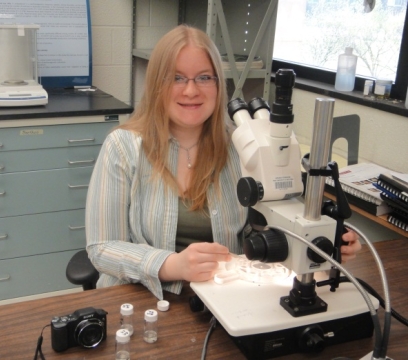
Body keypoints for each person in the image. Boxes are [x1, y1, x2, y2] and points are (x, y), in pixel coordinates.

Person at [85, 24, 361, 300]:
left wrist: (317, 244)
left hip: (225, 296)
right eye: (177, 78)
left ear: (219, 85)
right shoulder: (122, 146)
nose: (191, 91)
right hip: (143, 296)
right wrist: (171, 265)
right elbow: (102, 247)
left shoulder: (242, 148)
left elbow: (262, 227)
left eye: (204, 77)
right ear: (157, 85)